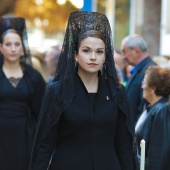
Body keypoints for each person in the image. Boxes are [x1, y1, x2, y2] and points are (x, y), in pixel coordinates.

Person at [29, 11, 136, 170]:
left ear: (105, 57)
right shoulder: (57, 91)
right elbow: (45, 143)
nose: (93, 57)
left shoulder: (117, 92)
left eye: (99, 52)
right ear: (75, 55)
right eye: (86, 51)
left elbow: (124, 145)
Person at [0, 17, 46, 170]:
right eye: (8, 44)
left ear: (22, 47)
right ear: (1, 47)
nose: (13, 49)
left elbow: (41, 113)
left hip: (25, 138)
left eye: (16, 44)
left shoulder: (34, 77)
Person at [135, 66, 170, 170]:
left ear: (153, 88)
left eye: (144, 83)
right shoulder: (151, 108)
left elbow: (158, 153)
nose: (142, 86)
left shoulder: (161, 111)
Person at [121, 34, 157, 126]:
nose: (123, 57)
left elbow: (145, 106)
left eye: (124, 51)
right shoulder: (142, 69)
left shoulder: (149, 70)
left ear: (136, 51)